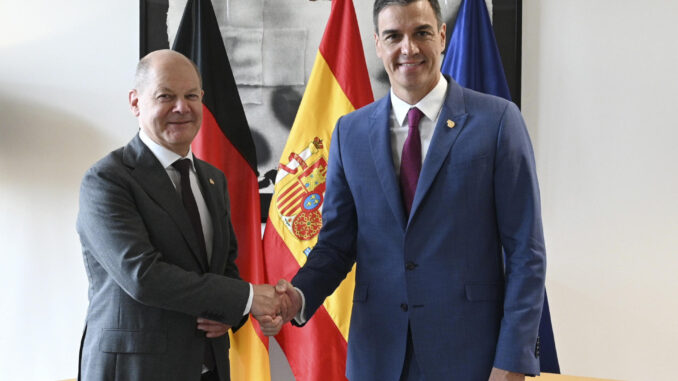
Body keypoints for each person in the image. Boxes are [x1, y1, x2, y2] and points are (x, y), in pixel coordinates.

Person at [264, 1, 547, 380]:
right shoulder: (351, 132)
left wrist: (513, 360)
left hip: (471, 358)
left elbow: (526, 253)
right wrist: (297, 296)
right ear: (378, 44)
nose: (408, 48)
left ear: (442, 37)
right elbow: (336, 243)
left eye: (422, 33)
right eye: (394, 36)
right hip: (377, 357)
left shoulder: (497, 122)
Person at [76, 49, 283, 381]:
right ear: (135, 102)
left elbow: (225, 267)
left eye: (191, 96)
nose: (181, 107)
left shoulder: (213, 179)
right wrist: (246, 298)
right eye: (166, 96)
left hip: (208, 369)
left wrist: (235, 312)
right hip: (137, 371)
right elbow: (143, 276)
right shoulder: (107, 180)